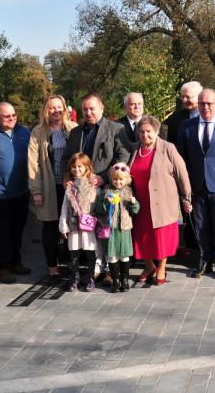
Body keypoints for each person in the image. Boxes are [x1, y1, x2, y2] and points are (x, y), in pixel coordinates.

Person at [63, 93, 130, 285]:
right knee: (88, 230)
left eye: (92, 108)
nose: (88, 112)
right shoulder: (76, 132)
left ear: (101, 107)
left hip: (105, 189)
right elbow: (68, 158)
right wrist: (67, 178)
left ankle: (108, 269)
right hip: (80, 193)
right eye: (85, 109)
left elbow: (123, 155)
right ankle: (93, 267)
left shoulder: (116, 128)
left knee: (104, 228)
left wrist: (104, 177)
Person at [177, 88, 215, 280]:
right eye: (202, 103)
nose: (205, 107)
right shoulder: (186, 127)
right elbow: (181, 160)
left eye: (209, 103)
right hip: (195, 187)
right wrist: (184, 189)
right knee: (200, 225)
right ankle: (204, 260)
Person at [129, 116, 192, 285]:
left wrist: (186, 197)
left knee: (161, 237)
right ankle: (150, 267)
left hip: (162, 202)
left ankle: (162, 269)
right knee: (142, 236)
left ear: (156, 132)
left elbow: (182, 173)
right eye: (141, 131)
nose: (145, 135)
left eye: (149, 131)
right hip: (140, 202)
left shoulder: (168, 148)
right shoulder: (134, 149)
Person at [28, 94, 78, 278]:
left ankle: (71, 264)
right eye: (52, 107)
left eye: (59, 107)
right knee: (50, 227)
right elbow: (33, 163)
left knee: (72, 225)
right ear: (46, 110)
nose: (56, 111)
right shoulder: (38, 131)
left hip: (70, 185)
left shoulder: (73, 128)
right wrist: (36, 190)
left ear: (64, 108)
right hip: (48, 186)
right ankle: (52, 267)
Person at [0, 102, 32, 284]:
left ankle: (16, 262)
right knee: (2, 232)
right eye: (7, 116)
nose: (12, 118)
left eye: (14, 115)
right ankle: (3, 267)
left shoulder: (24, 132)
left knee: (18, 229)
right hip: (0, 194)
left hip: (22, 191)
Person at [164, 81, 203, 253]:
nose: (185, 100)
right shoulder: (174, 120)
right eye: (183, 97)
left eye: (189, 96)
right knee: (189, 214)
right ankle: (193, 251)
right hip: (184, 175)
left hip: (208, 175)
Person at [93, 164, 139, 292]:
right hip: (111, 229)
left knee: (124, 256)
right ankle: (116, 281)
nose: (118, 182)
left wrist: (134, 203)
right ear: (111, 178)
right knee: (112, 256)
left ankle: (125, 280)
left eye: (121, 179)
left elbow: (135, 211)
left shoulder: (129, 191)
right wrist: (106, 202)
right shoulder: (106, 190)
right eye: (115, 179)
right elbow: (98, 209)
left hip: (124, 229)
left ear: (126, 179)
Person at [58, 153, 100, 292]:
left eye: (80, 166)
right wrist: (63, 225)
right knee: (74, 252)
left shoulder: (94, 185)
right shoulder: (70, 186)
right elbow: (65, 207)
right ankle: (74, 277)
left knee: (90, 251)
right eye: (74, 167)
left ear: (87, 167)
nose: (76, 169)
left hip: (89, 224)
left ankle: (91, 277)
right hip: (74, 223)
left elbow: (98, 205)